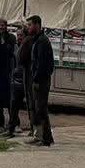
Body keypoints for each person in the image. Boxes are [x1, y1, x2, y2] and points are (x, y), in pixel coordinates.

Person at [24, 15, 55, 146]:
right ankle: (41, 136)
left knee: (41, 109)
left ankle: (45, 139)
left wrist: (36, 79)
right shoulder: (37, 40)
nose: (28, 27)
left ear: (37, 25)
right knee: (38, 109)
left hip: (41, 81)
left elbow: (42, 64)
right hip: (38, 79)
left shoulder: (42, 41)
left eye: (30, 25)